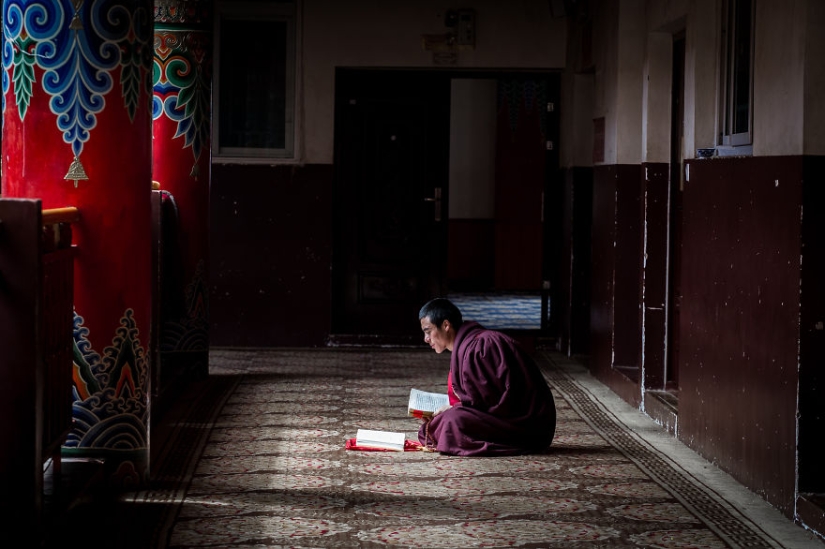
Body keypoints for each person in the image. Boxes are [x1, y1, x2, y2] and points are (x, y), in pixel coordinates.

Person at [417, 297, 557, 456]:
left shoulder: (480, 346)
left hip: (526, 425)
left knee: (451, 421)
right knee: (447, 419)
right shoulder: (468, 344)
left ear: (446, 325)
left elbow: (491, 403)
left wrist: (454, 409)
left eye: (428, 331)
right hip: (513, 417)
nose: (426, 339)